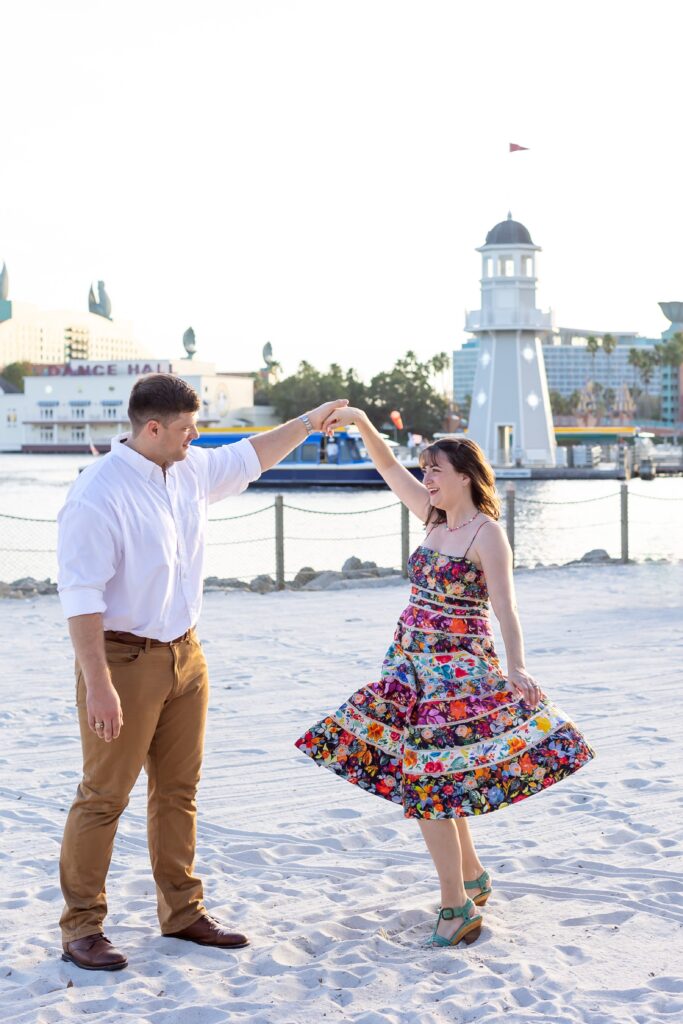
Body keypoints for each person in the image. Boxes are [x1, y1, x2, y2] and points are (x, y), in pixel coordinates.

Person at [57, 373, 346, 971]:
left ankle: (183, 913)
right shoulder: (97, 494)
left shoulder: (186, 468)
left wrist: (310, 420)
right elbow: (80, 596)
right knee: (105, 796)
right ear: (153, 428)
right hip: (120, 661)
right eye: (188, 429)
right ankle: (82, 927)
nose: (198, 437)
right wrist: (100, 684)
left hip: (187, 656)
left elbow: (251, 456)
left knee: (179, 793)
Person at [295, 408, 595, 947]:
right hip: (409, 667)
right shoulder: (433, 518)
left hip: (458, 674)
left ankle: (456, 905)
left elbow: (506, 608)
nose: (426, 479)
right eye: (425, 470)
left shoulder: (487, 534)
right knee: (434, 779)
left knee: (430, 783)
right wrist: (362, 421)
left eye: (435, 470)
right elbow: (387, 468)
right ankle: (472, 877)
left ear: (465, 477)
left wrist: (517, 664)